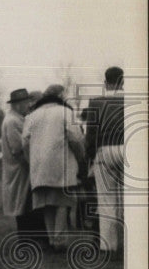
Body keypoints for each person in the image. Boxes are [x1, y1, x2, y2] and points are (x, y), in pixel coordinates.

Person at [21, 84, 86, 252]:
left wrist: (32, 161)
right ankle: (60, 241)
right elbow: (76, 139)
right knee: (63, 203)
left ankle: (52, 239)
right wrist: (81, 159)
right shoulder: (65, 112)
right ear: (60, 96)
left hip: (39, 169)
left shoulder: (32, 116)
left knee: (47, 204)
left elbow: (25, 142)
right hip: (61, 165)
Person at [84, 66, 125, 257]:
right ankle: (131, 243)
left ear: (105, 82)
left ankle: (108, 247)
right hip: (129, 149)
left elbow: (90, 135)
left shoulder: (96, 102)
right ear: (123, 81)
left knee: (107, 201)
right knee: (129, 201)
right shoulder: (133, 100)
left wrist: (89, 158)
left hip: (104, 151)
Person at [1, 88, 36, 234]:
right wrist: (32, 163)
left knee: (24, 204)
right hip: (19, 169)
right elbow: (17, 148)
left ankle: (28, 237)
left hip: (20, 169)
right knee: (21, 204)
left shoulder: (17, 119)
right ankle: (25, 239)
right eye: (26, 102)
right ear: (17, 105)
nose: (28, 106)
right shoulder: (12, 121)